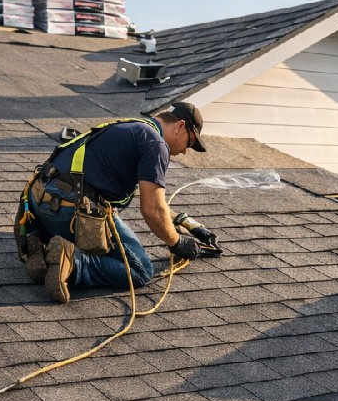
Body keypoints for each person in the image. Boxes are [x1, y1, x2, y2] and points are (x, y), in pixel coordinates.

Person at [21, 102, 216, 304]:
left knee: (96, 225)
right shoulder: (156, 145)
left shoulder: (131, 125)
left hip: (38, 203)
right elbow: (152, 209)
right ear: (180, 126)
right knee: (140, 270)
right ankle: (73, 262)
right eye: (190, 143)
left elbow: (157, 203)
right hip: (68, 211)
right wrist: (177, 242)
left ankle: (42, 245)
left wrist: (185, 223)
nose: (185, 151)